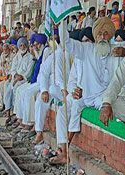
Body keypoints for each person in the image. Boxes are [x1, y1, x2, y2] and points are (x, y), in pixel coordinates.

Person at [51, 18, 121, 164]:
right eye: (99, 34)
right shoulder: (87, 49)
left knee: (114, 109)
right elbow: (66, 43)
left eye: (106, 34)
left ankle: (65, 150)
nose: (102, 37)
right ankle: (63, 149)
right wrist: (62, 22)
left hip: (103, 98)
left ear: (110, 36)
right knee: (65, 108)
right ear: (95, 36)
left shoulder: (117, 51)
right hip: (85, 96)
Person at [14, 33, 49, 131]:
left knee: (28, 93)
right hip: (37, 80)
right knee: (20, 90)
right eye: (34, 45)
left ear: (42, 44)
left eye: (37, 45)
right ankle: (20, 119)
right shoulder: (40, 53)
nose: (35, 47)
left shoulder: (47, 51)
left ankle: (29, 123)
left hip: (44, 82)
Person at [0, 37, 34, 114]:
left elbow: (29, 72)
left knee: (15, 88)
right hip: (15, 77)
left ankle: (15, 112)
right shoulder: (17, 56)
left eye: (24, 45)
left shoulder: (30, 57)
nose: (23, 47)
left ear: (27, 46)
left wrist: (20, 77)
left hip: (24, 79)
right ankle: (7, 111)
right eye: (21, 45)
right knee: (7, 88)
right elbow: (13, 69)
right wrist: (15, 75)